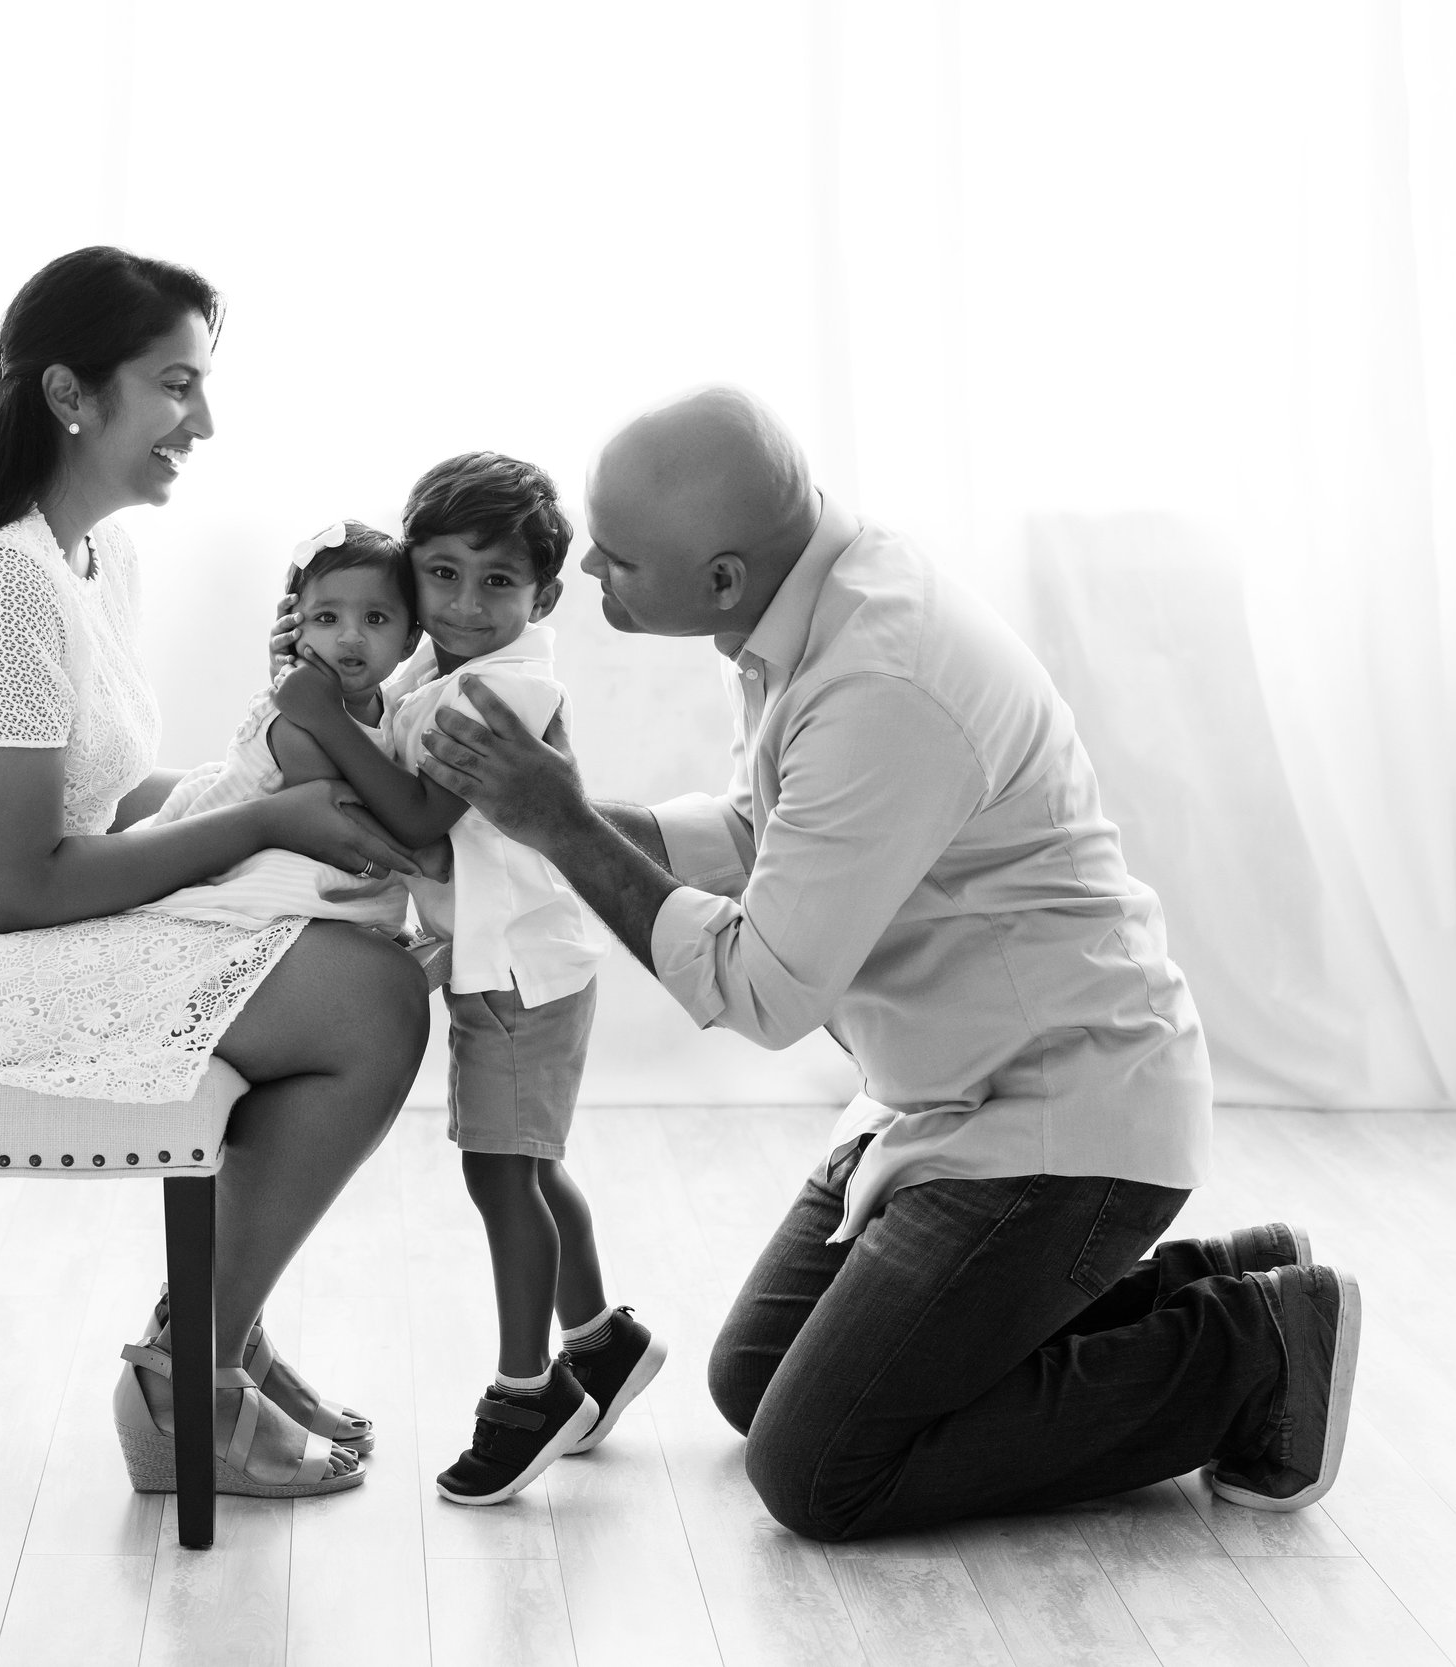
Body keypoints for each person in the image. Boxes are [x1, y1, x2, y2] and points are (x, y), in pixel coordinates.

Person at [411, 387, 1361, 1539]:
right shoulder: (804, 598)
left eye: (614, 559)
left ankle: (1254, 1349)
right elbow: (774, 831)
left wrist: (560, 825)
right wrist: (538, 811)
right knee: (756, 1381)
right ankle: (1214, 1279)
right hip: (944, 1094)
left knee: (819, 1471)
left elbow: (763, 990)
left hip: (1060, 1126)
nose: (588, 574)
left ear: (720, 576)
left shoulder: (882, 678)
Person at [0, 247, 428, 1500]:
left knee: (363, 957)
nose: (204, 421)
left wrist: (267, 792)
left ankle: (214, 1336)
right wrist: (261, 827)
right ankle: (189, 1374)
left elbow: (91, 798)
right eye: (174, 384)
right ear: (72, 394)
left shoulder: (85, 554)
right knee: (369, 1002)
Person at [271, 452, 666, 1507]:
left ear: (544, 596)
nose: (463, 602)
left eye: (497, 582)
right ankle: (604, 1341)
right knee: (528, 1167)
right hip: (506, 958)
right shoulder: (432, 668)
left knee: (501, 1177)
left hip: (518, 969)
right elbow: (373, 719)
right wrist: (332, 672)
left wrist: (316, 709)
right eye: (440, 575)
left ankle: (525, 1388)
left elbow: (411, 817)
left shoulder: (498, 690)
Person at [143, 519, 426, 934]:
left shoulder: (395, 707)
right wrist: (423, 850)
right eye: (327, 618)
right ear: (294, 629)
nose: (350, 636)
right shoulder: (292, 720)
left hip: (315, 851)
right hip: (235, 858)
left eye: (376, 618)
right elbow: (336, 815)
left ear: (409, 640)